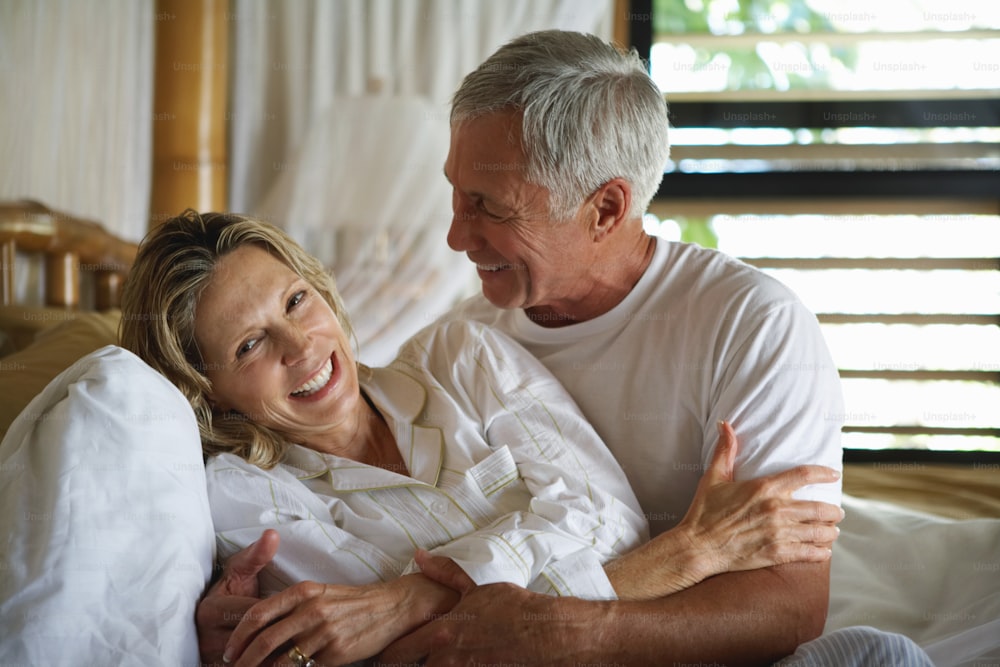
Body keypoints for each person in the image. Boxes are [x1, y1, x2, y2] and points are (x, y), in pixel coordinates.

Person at [120, 210, 844, 667]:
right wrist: (687, 552)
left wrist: (410, 597)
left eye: (296, 301)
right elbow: (428, 658)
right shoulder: (245, 498)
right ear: (205, 388)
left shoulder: (463, 355)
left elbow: (614, 523)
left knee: (880, 654)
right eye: (250, 344)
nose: (299, 347)